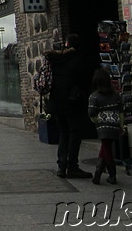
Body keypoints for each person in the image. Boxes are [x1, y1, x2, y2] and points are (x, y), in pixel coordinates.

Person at [45, 33, 96, 179]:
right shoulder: (77, 61)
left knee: (63, 133)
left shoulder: (56, 60)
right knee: (74, 134)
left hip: (56, 104)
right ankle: (72, 166)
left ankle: (62, 166)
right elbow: (84, 81)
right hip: (72, 103)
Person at [88, 67, 123, 185]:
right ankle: (98, 174)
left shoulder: (94, 96)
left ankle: (111, 174)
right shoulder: (116, 95)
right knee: (106, 146)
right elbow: (121, 111)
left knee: (106, 148)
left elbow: (91, 112)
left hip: (102, 126)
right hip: (114, 124)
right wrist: (121, 126)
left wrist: (96, 120)